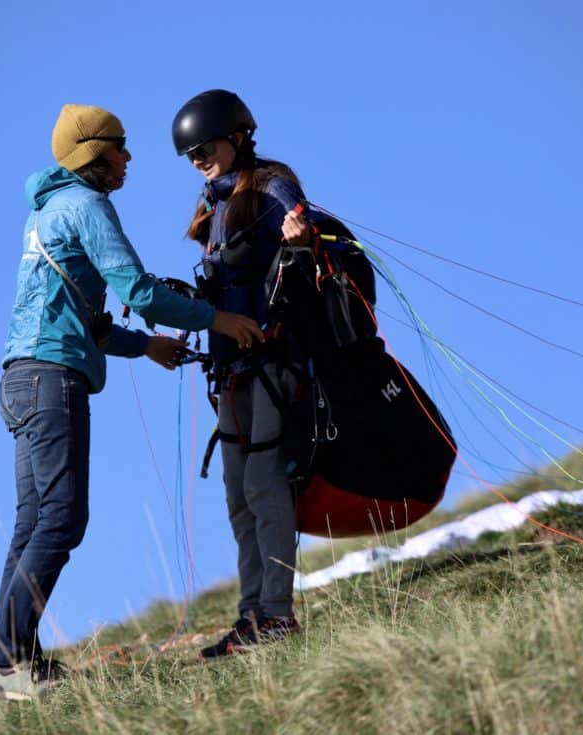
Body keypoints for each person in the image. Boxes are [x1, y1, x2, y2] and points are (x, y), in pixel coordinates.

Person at [0, 103, 264, 700]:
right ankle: (8, 664)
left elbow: (80, 318)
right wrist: (218, 318)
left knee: (34, 522)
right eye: (120, 147)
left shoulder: (46, 211)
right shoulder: (89, 206)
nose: (129, 158)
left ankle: (13, 664)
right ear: (94, 156)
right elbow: (137, 290)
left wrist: (147, 349)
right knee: (61, 518)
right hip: (52, 381)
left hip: (20, 378)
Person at [171, 89, 317, 659]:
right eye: (190, 153)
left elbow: (301, 244)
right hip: (230, 365)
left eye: (205, 147)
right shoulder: (212, 203)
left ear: (236, 137)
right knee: (237, 495)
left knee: (261, 484)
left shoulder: (272, 185)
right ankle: (252, 616)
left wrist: (299, 239)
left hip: (273, 358)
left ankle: (277, 617)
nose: (198, 158)